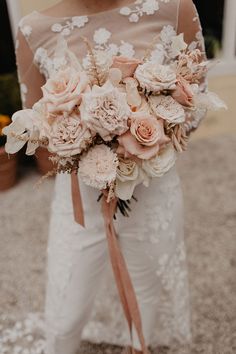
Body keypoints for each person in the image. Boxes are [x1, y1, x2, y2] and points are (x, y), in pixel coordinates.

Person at [15, 0, 206, 353]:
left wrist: (141, 137)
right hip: (80, 196)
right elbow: (35, 124)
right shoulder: (33, 30)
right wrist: (85, 142)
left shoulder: (175, 8)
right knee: (67, 305)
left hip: (152, 186)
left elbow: (196, 101)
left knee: (147, 288)